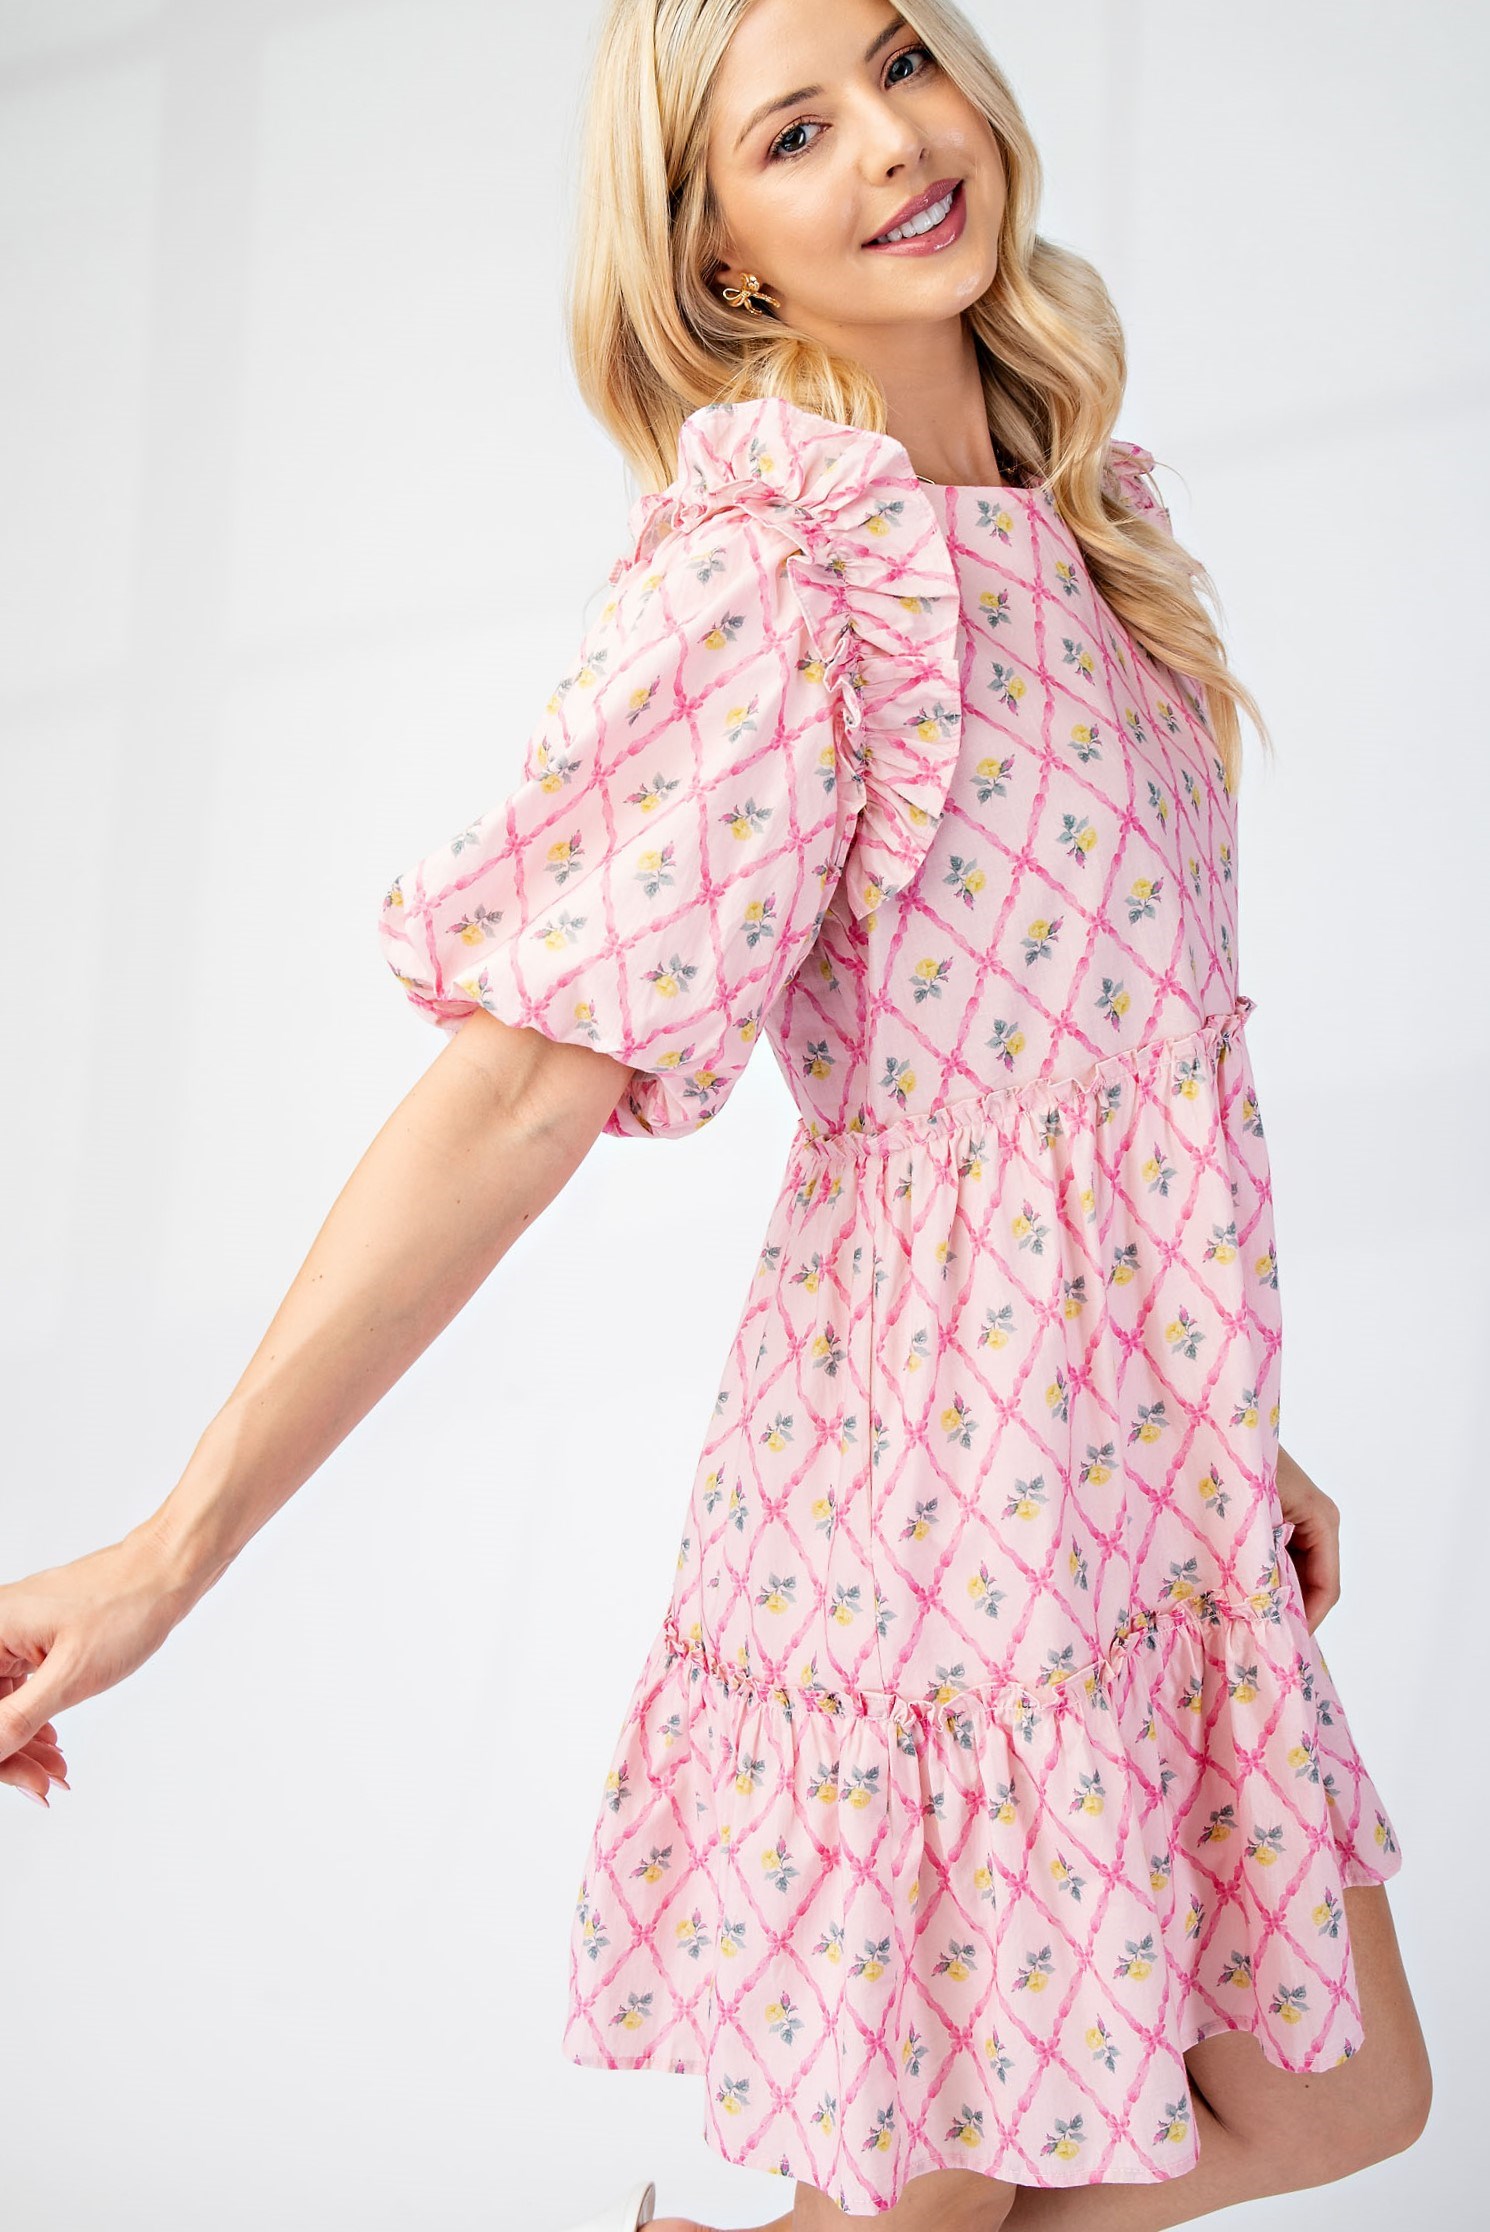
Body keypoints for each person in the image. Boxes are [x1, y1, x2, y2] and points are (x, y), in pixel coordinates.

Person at [0, 2, 1432, 2228]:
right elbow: (513, 1089)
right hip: (939, 1528)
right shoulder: (785, 578)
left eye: (902, 62)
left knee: (1340, 2104)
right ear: (717, 250)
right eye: (794, 131)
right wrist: (173, 1549)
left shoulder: (1081, 523)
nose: (892, 143)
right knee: (946, 2199)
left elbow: (1102, 1067)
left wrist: (1215, 1427)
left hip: (1120, 1488)